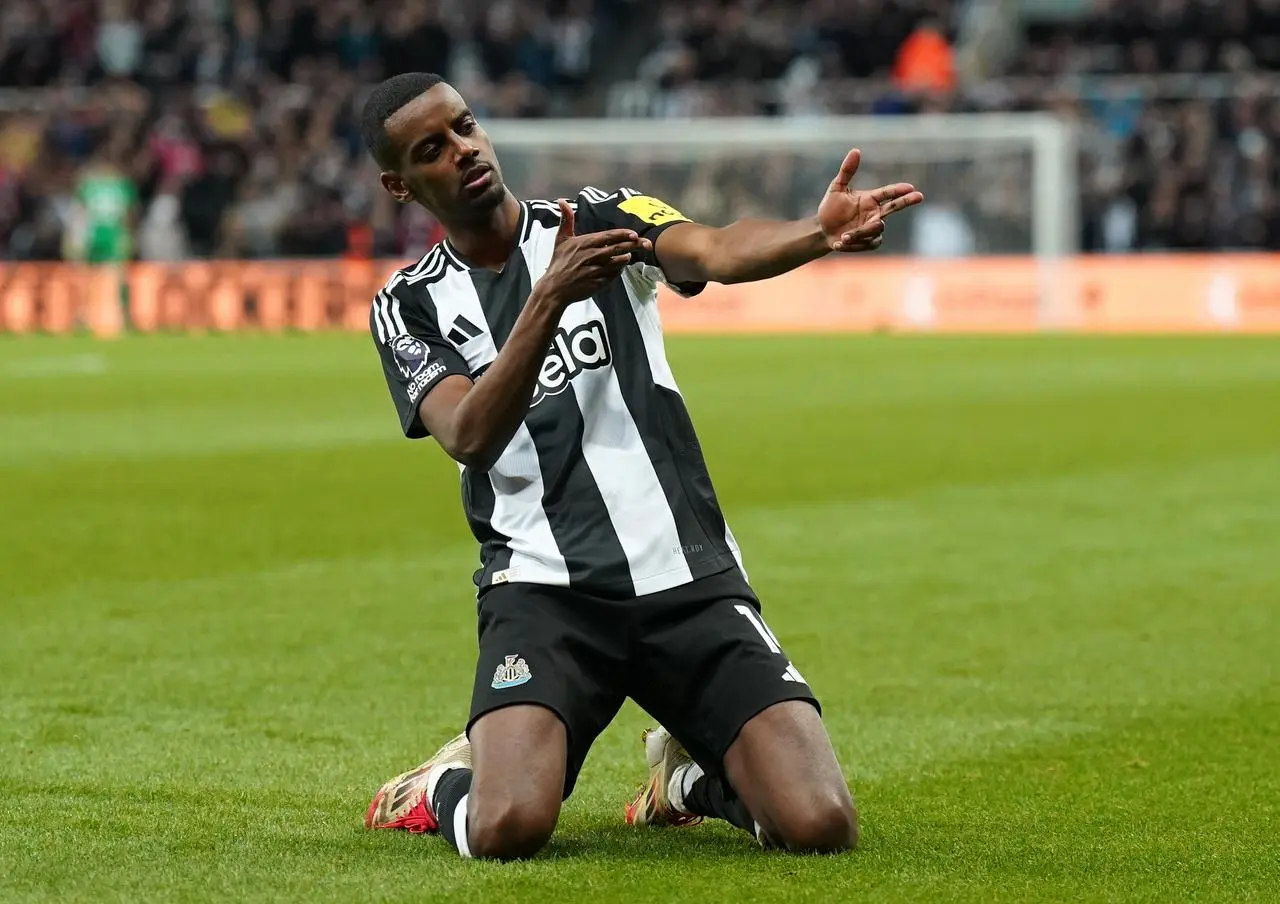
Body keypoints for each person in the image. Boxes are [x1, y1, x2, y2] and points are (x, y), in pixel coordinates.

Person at [361, 72, 923, 860]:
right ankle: (439, 787)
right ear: (400, 184)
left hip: (686, 576)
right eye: (431, 149)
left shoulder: (599, 218)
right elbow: (468, 433)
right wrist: (547, 300)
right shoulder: (409, 305)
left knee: (820, 824)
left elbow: (717, 249)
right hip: (544, 594)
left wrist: (815, 233)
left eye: (464, 127)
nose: (462, 150)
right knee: (505, 829)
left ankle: (683, 781)